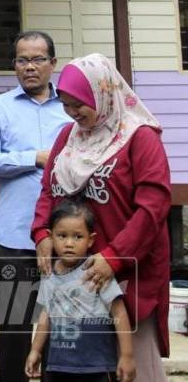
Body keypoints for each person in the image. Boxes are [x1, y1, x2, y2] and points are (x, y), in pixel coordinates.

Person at [32, 53, 171, 382]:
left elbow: (153, 206)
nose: (72, 112)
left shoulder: (139, 137)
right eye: (65, 104)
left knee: (132, 364)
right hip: (75, 274)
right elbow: (49, 190)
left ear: (102, 93)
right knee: (80, 366)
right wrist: (41, 234)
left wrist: (114, 257)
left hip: (127, 268)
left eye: (79, 103)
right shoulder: (68, 137)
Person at [0, 31, 70, 382]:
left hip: (66, 235)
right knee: (15, 322)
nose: (30, 67)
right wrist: (34, 158)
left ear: (53, 63)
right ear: (14, 65)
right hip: (17, 234)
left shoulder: (70, 107)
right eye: (22, 60)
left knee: (64, 320)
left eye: (38, 59)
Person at [25, 199, 136, 382]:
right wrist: (35, 350)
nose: (69, 243)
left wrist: (127, 355)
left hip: (97, 367)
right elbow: (46, 315)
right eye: (62, 236)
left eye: (78, 237)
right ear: (50, 237)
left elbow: (119, 312)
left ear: (90, 240)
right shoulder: (48, 274)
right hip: (59, 366)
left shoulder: (96, 271)